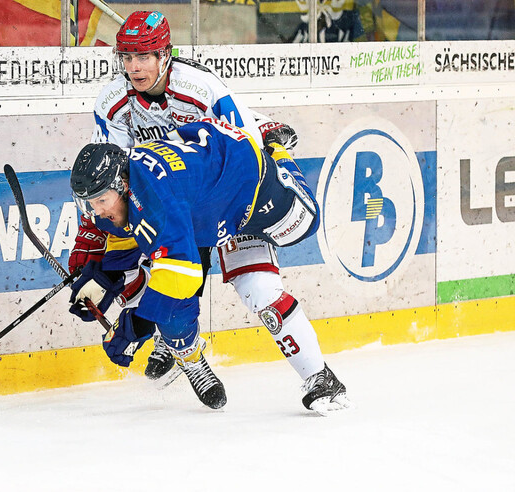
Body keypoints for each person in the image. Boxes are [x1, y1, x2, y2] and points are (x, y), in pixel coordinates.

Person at [68, 10, 299, 385]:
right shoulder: (113, 100)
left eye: (143, 56)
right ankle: (170, 336)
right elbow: (108, 180)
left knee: (186, 255)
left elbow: (242, 149)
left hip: (205, 186)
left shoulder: (201, 87)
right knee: (128, 261)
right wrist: (93, 238)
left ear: (165, 55)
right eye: (127, 57)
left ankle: (168, 334)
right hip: (154, 189)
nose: (134, 67)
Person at [69, 117, 352, 414]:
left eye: (101, 200)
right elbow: (132, 252)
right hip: (203, 206)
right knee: (166, 287)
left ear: (123, 184)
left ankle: (275, 147)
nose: (96, 211)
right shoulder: (126, 193)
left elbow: (183, 276)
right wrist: (100, 282)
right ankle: (186, 353)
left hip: (252, 189)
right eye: (90, 202)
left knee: (299, 233)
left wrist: (136, 325)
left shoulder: (158, 202)